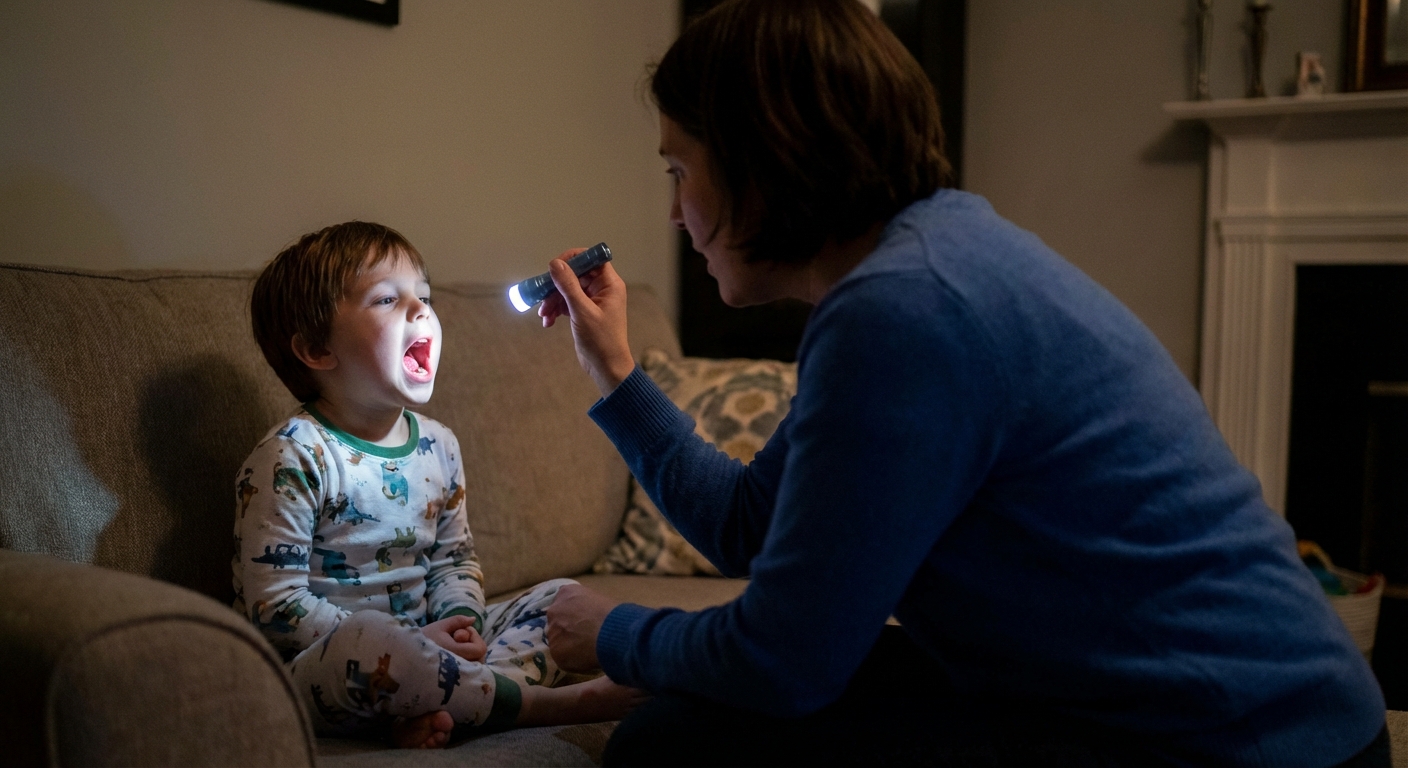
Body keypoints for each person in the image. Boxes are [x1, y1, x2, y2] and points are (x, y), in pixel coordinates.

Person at [534, 1, 1389, 765]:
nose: (672, 213)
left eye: (680, 172)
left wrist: (619, 632)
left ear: (766, 158)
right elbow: (754, 528)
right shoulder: (924, 262)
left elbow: (783, 661)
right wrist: (615, 370)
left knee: (671, 747)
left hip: (1246, 737)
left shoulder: (906, 311)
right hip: (1192, 704)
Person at [234, 221, 642, 749]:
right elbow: (275, 606)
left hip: (435, 648)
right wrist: (410, 642)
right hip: (332, 669)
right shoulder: (293, 455)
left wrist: (461, 622)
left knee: (560, 600)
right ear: (316, 350)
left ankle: (455, 699)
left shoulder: (438, 445)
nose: (420, 310)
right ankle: (527, 705)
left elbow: (454, 561)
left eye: (423, 297)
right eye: (386, 299)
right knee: (371, 645)